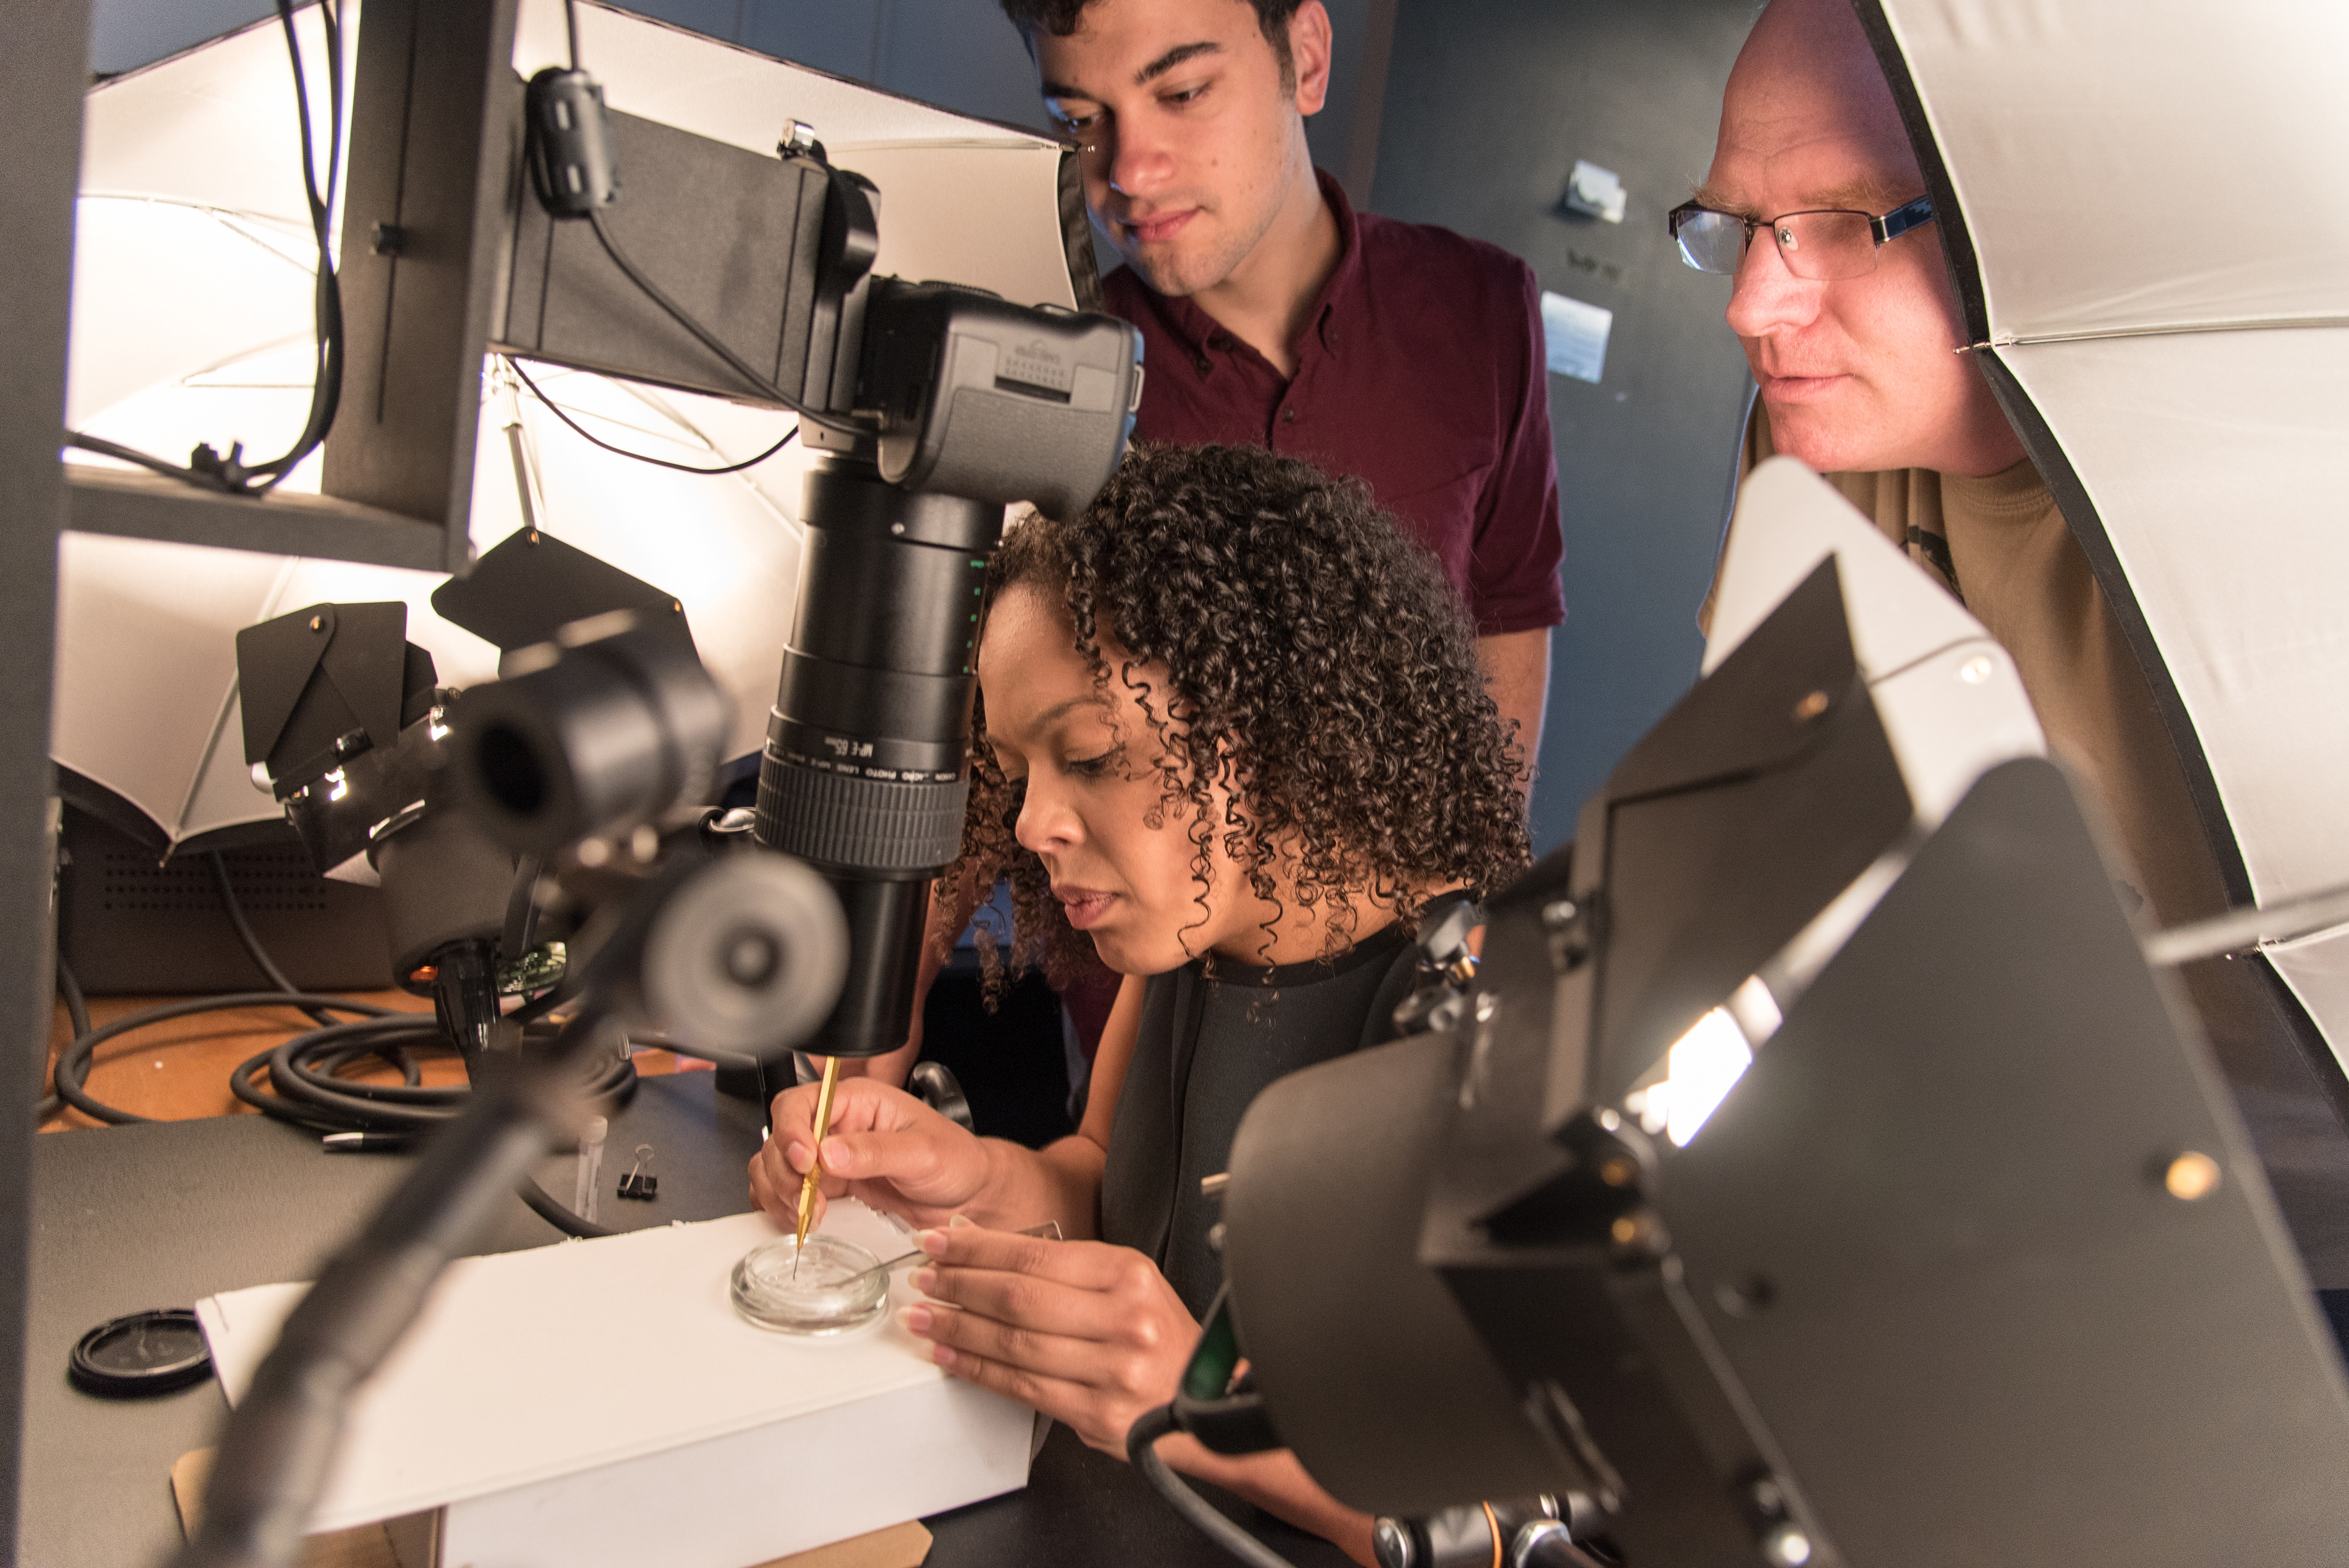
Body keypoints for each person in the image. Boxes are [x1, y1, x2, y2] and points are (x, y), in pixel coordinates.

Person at [749, 442, 1531, 1564]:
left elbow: (1507, 1525)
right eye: (1021, 773)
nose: (1030, 826)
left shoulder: (1481, 1010)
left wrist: (1198, 1411)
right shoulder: (1193, 951)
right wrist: (971, 1182)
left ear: (1278, 716)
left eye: (1091, 757)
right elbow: (1110, 1191)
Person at [1683, 0, 2349, 1286]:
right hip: (2016, 1180)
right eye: (1738, 228)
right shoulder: (1813, 447)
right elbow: (1754, 831)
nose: (1754, 304)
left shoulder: (2278, 496)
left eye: (1846, 221)